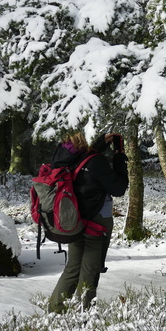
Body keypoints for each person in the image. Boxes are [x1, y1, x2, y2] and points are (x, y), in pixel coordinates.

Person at [48, 131, 128, 313]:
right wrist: (119, 159)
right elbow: (119, 188)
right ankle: (84, 315)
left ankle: (55, 311)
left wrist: (101, 144)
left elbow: (85, 166)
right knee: (90, 271)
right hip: (97, 221)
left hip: (74, 219)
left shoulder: (65, 155)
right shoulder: (96, 161)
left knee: (73, 267)